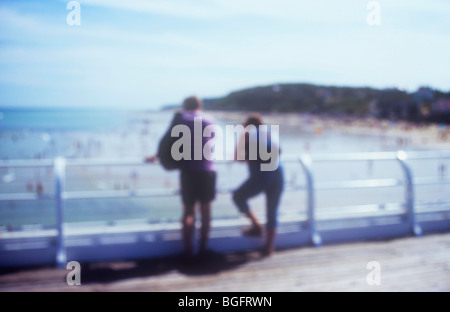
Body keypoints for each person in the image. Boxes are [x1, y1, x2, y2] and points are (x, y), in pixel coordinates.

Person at [146, 96, 217, 259]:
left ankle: (188, 251)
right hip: (207, 170)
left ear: (185, 106)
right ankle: (203, 250)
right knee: (206, 213)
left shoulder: (181, 120)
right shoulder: (210, 120)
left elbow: (167, 142)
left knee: (188, 212)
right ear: (200, 105)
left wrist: (156, 156)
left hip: (189, 171)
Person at [232, 114, 284, 256]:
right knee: (272, 211)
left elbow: (237, 157)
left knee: (238, 196)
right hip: (278, 173)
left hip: (262, 175)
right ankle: (269, 248)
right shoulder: (269, 132)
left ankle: (256, 225)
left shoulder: (248, 133)